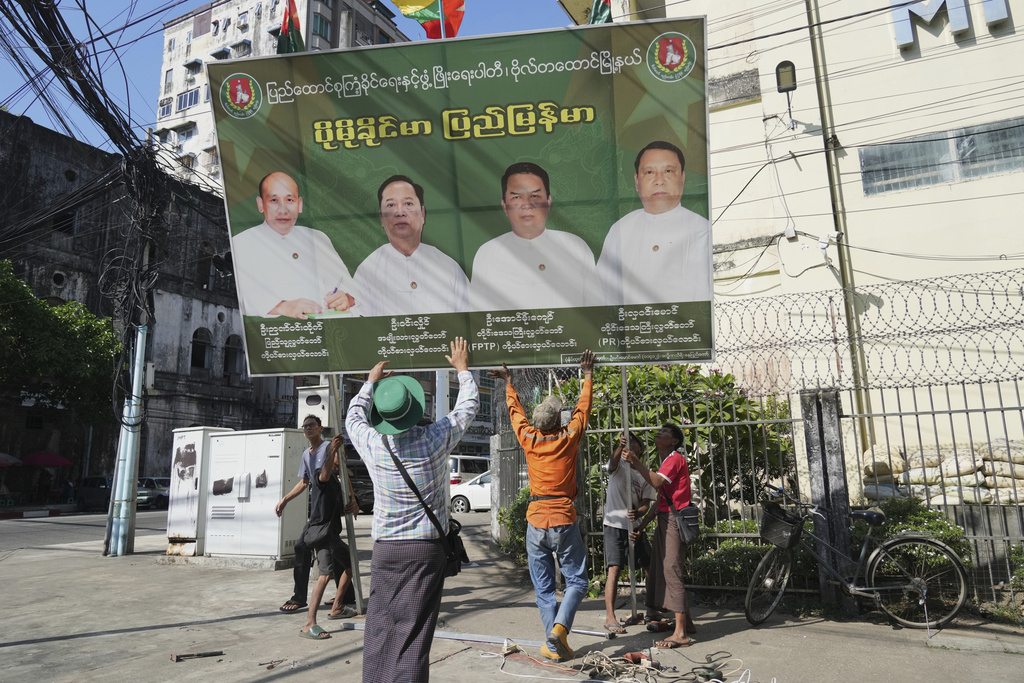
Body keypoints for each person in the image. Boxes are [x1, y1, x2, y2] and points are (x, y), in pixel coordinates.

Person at [345, 337, 478, 682]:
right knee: (413, 634)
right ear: (415, 410)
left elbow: (352, 419)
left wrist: (369, 383)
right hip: (424, 550)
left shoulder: (373, 444)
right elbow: (467, 409)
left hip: (386, 551)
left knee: (380, 629)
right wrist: (463, 370)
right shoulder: (435, 438)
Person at [488, 350, 596, 662]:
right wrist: (587, 375)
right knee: (577, 580)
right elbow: (583, 410)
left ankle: (553, 646)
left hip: (536, 521)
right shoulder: (568, 438)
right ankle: (559, 632)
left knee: (544, 589)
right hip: (563, 517)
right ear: (558, 420)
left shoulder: (528, 438)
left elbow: (515, 414)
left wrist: (510, 383)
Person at [468, 162, 601, 311]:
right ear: (504, 205)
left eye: (535, 196)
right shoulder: (488, 253)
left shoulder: (575, 247)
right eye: (517, 197)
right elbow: (477, 317)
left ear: (548, 202)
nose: (527, 205)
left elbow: (597, 312)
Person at [597, 141, 713, 305]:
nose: (659, 180)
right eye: (650, 172)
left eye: (668, 171)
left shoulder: (702, 230)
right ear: (637, 181)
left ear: (682, 178)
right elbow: (603, 294)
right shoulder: (620, 230)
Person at [232, 171, 360, 318]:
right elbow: (239, 297)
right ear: (261, 204)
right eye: (274, 200)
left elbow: (348, 288)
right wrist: (282, 307)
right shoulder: (240, 243)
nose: (283, 209)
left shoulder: (317, 238)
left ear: (299, 205)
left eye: (289, 200)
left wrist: (345, 298)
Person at [622, 423, 697, 649]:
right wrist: (642, 526)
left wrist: (636, 462)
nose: (659, 433)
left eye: (665, 432)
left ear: (674, 441)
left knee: (671, 569)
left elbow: (654, 482)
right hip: (666, 520)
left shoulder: (674, 459)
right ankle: (688, 623)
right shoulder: (666, 462)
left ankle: (681, 633)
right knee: (663, 568)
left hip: (673, 522)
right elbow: (659, 503)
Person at [275, 415, 357, 619]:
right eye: (304, 427)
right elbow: (305, 482)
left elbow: (342, 473)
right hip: (318, 508)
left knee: (323, 548)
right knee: (323, 547)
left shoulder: (329, 446)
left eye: (311, 425)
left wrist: (353, 499)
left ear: (320, 428)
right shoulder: (306, 454)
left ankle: (303, 600)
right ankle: (343, 596)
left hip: (329, 506)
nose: (307, 429)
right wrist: (285, 499)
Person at [352, 175, 469, 316]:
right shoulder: (367, 270)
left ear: (423, 214)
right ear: (382, 219)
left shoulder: (448, 267)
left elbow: (470, 321)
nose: (400, 212)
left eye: (408, 204)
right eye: (390, 205)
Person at [298, 432, 357, 640]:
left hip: (331, 533)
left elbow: (338, 506)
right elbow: (322, 476)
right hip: (321, 533)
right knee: (325, 575)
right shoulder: (321, 475)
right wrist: (332, 449)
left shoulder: (336, 480)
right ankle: (309, 623)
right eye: (339, 458)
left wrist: (351, 505)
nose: (342, 461)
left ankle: (338, 607)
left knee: (351, 565)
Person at [603, 432, 656, 633]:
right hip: (614, 525)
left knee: (649, 566)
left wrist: (638, 513)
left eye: (633, 442)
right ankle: (610, 617)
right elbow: (612, 462)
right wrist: (619, 448)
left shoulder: (643, 474)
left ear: (640, 450)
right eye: (627, 441)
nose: (629, 444)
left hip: (636, 527)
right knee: (614, 569)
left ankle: (651, 609)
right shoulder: (619, 468)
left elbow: (646, 504)